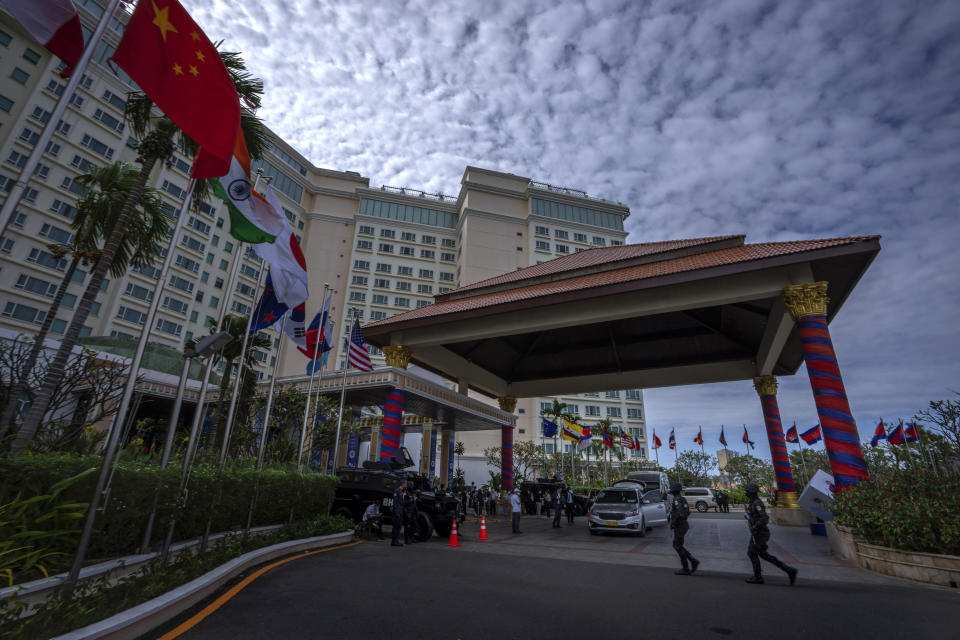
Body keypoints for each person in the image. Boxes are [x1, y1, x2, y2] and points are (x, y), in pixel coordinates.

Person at [744, 483, 798, 585]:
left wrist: (756, 526)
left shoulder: (757, 503)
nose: (746, 493)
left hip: (759, 533)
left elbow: (764, 517)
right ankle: (789, 570)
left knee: (752, 552)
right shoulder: (753, 503)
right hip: (758, 533)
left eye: (747, 491)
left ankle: (758, 577)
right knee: (763, 555)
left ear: (751, 492)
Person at [669, 482, 699, 575]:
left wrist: (673, 523)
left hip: (680, 525)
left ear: (674, 490)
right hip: (684, 524)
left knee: (677, 546)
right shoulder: (683, 499)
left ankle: (687, 567)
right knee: (677, 545)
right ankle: (691, 562)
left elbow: (679, 513)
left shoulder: (676, 500)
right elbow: (687, 512)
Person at [391, 479, 407, 547]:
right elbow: (395, 502)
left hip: (401, 511)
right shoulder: (397, 491)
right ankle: (394, 541)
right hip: (397, 511)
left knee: (399, 526)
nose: (406, 485)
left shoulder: (402, 491)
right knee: (396, 526)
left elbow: (403, 501)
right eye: (405, 483)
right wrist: (397, 512)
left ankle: (396, 540)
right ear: (402, 484)